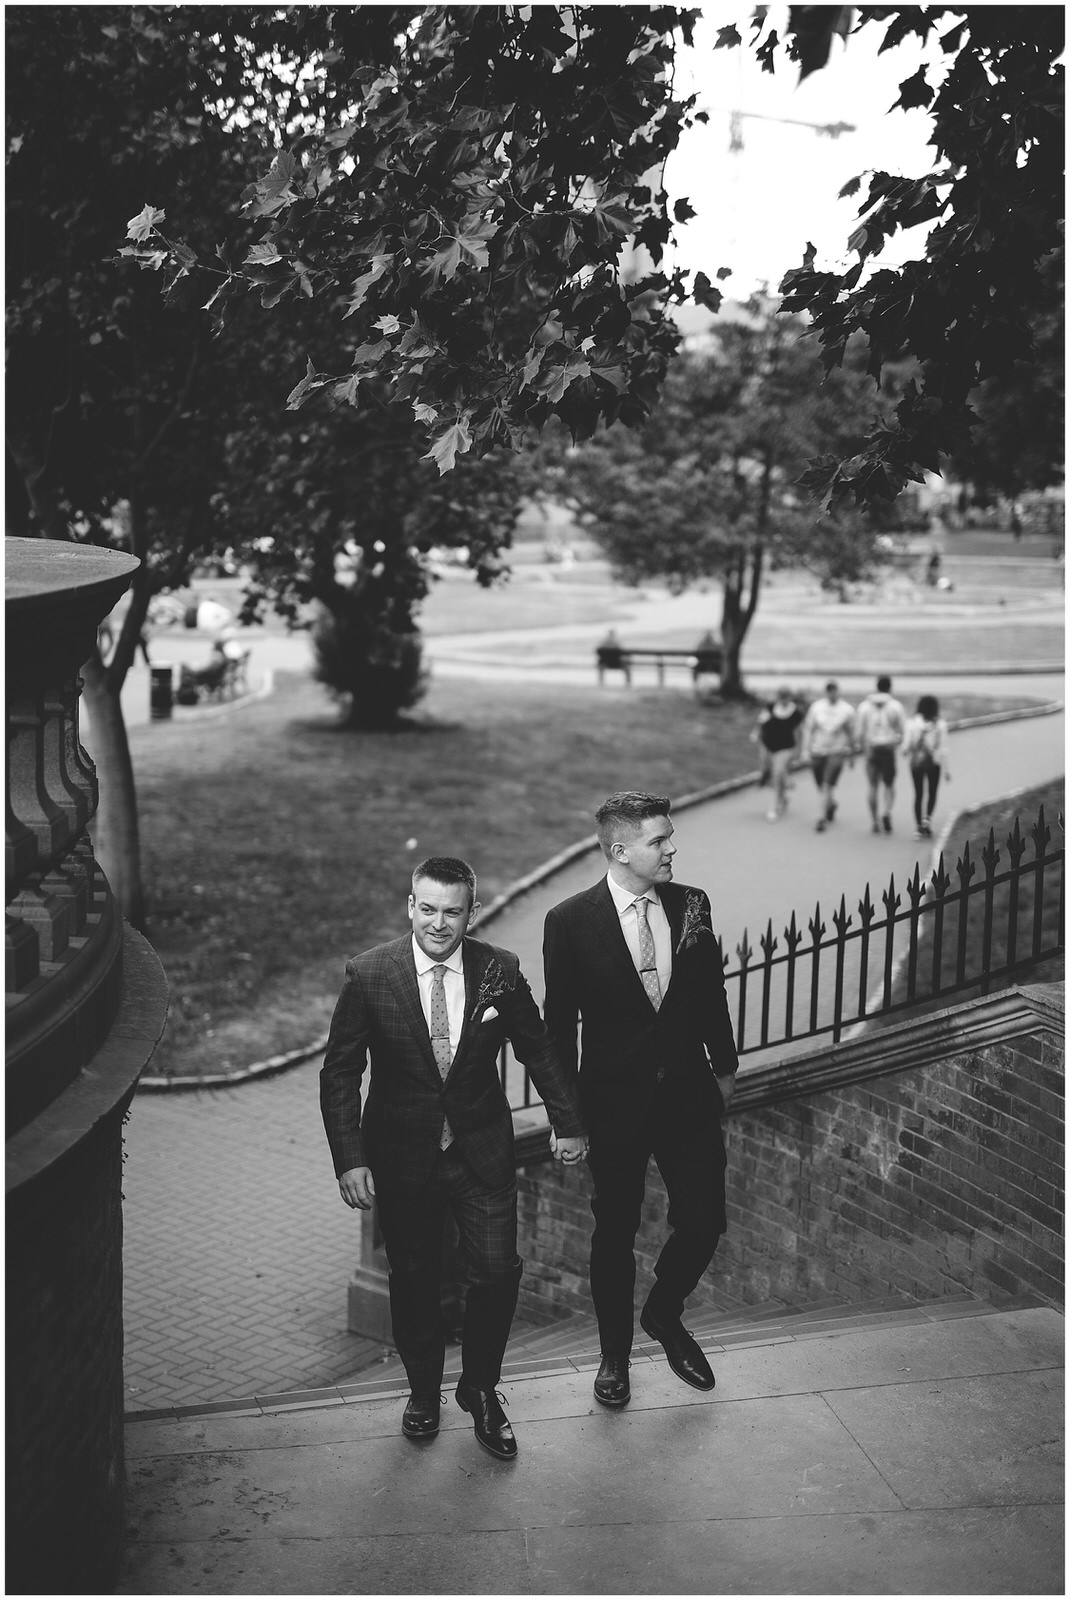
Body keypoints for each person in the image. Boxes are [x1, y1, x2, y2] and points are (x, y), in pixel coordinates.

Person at [320, 856, 587, 1460]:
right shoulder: (369, 975)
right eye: (428, 909)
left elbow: (539, 1050)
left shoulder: (500, 970)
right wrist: (349, 1158)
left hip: (481, 1153)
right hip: (402, 1157)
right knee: (414, 1278)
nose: (439, 924)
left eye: (453, 911)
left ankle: (481, 1389)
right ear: (410, 906)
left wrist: (568, 1122)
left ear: (473, 912)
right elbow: (340, 1073)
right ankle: (422, 1391)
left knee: (496, 1272)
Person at [543, 791, 738, 1410]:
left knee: (704, 1221)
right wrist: (567, 1118)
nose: (671, 849)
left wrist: (725, 1068)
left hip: (688, 1097)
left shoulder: (692, 905)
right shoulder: (569, 922)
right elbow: (558, 1028)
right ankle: (613, 1358)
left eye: (669, 837)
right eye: (659, 841)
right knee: (615, 1233)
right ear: (619, 850)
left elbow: (710, 992)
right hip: (613, 1107)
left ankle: (663, 1311)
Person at [799, 680, 856, 832]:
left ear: (838, 691)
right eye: (829, 691)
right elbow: (808, 729)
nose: (832, 694)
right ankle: (830, 804)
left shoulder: (846, 710)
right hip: (818, 750)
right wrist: (805, 750)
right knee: (821, 785)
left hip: (836, 751)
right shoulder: (817, 708)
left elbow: (851, 733)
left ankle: (821, 818)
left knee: (826, 784)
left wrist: (851, 754)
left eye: (834, 690)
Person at [855, 674, 907, 833]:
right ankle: (887, 812)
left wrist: (862, 747)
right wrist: (899, 743)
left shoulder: (864, 706)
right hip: (888, 748)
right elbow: (903, 730)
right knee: (889, 784)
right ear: (890, 687)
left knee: (872, 786)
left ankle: (874, 821)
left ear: (876, 686)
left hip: (872, 748)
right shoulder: (895, 706)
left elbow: (859, 732)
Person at [902, 694, 951, 839]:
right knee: (932, 792)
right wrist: (947, 769)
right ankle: (927, 820)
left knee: (918, 794)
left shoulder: (911, 723)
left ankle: (918, 827)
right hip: (933, 763)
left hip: (916, 763)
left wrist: (905, 751)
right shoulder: (940, 725)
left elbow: (906, 745)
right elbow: (943, 749)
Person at [753, 686, 804, 821]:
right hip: (768, 745)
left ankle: (772, 807)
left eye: (785, 697)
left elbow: (799, 732)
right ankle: (783, 797)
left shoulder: (796, 713)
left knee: (777, 773)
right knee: (775, 773)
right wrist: (756, 733)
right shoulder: (771, 708)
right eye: (781, 697)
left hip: (786, 747)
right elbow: (761, 722)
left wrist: (799, 750)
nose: (783, 700)